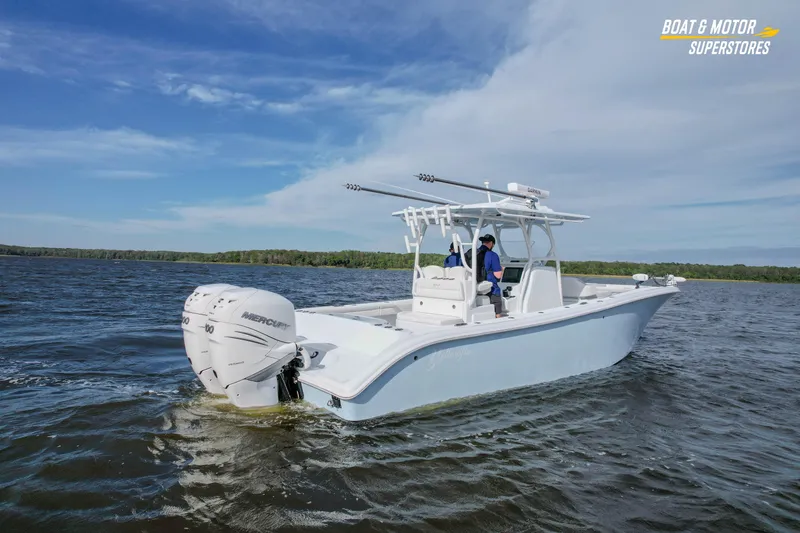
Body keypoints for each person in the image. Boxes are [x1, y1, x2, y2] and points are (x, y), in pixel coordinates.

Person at [479, 234, 504, 317]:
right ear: (491, 243)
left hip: (476, 288)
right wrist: (502, 270)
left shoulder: (473, 254)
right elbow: (498, 276)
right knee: (497, 303)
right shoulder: (493, 255)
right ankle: (498, 318)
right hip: (490, 289)